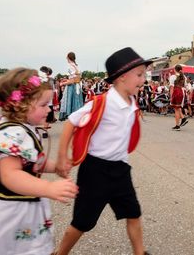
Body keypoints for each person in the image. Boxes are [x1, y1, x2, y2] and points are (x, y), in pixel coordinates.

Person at [0, 68, 78, 255]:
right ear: (21, 105)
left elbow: (31, 162)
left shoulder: (24, 127)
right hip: (7, 211)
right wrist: (49, 188)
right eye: (43, 105)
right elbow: (11, 175)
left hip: (22, 205)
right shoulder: (12, 133)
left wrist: (55, 167)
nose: (49, 109)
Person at [55, 47, 150, 255]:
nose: (144, 79)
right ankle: (60, 253)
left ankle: (140, 252)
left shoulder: (133, 103)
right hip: (95, 171)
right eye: (140, 74)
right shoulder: (102, 102)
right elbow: (71, 122)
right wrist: (63, 156)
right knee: (82, 222)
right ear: (123, 77)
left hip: (121, 170)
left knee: (133, 213)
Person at [59, 52, 83, 121]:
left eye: (67, 57)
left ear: (69, 57)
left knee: (71, 106)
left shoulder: (70, 66)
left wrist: (63, 84)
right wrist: (67, 80)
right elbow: (77, 78)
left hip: (72, 87)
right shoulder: (76, 66)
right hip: (77, 86)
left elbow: (73, 80)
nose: (66, 58)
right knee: (76, 104)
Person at [170, 65, 188, 131]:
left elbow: (171, 87)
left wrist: (171, 96)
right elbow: (185, 86)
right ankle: (183, 118)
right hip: (183, 92)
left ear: (175, 69)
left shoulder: (173, 77)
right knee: (178, 107)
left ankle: (177, 126)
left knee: (176, 109)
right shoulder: (184, 76)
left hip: (177, 91)